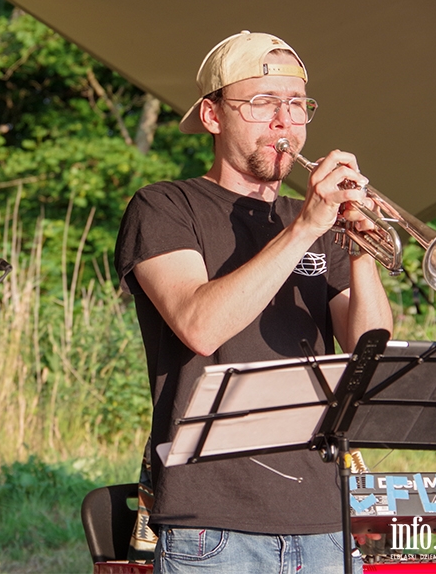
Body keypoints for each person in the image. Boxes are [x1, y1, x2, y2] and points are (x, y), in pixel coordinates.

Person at [114, 31, 393, 573]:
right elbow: (199, 325)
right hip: (214, 522)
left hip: (326, 518)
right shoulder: (165, 206)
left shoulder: (313, 217)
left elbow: (370, 353)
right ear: (213, 116)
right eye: (262, 103)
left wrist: (361, 247)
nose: (284, 122)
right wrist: (306, 229)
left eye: (296, 105)